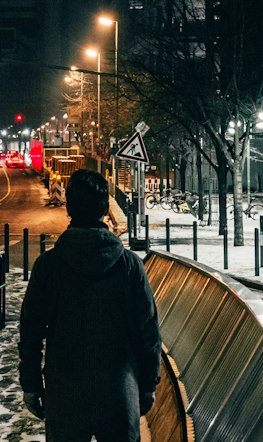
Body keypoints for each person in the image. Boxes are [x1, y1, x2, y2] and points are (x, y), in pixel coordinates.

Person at [18, 168, 161, 442]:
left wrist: (32, 384)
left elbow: (31, 331)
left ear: (69, 208)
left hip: (66, 391)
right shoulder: (129, 265)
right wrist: (147, 384)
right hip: (119, 388)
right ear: (105, 209)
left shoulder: (49, 266)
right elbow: (148, 330)